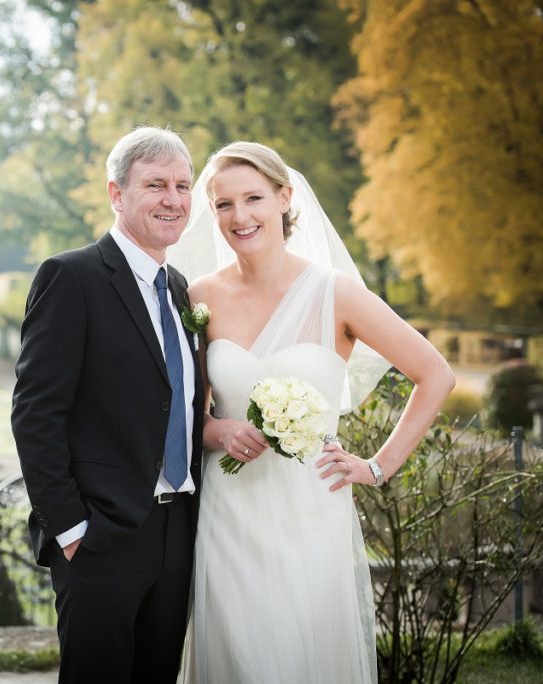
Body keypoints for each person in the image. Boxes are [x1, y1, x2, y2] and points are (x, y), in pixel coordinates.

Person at [169, 141, 455, 683]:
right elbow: (186, 412)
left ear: (284, 197)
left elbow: (435, 374)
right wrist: (215, 431)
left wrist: (377, 466)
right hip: (230, 512)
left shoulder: (335, 293)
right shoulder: (199, 297)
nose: (240, 216)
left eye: (253, 197)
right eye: (223, 204)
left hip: (309, 508)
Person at [11, 126, 205, 683]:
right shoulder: (71, 277)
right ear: (117, 194)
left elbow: (176, 403)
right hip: (100, 535)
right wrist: (71, 528)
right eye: (155, 185)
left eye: (182, 185)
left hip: (178, 531)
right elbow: (35, 415)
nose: (172, 199)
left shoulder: (180, 290)